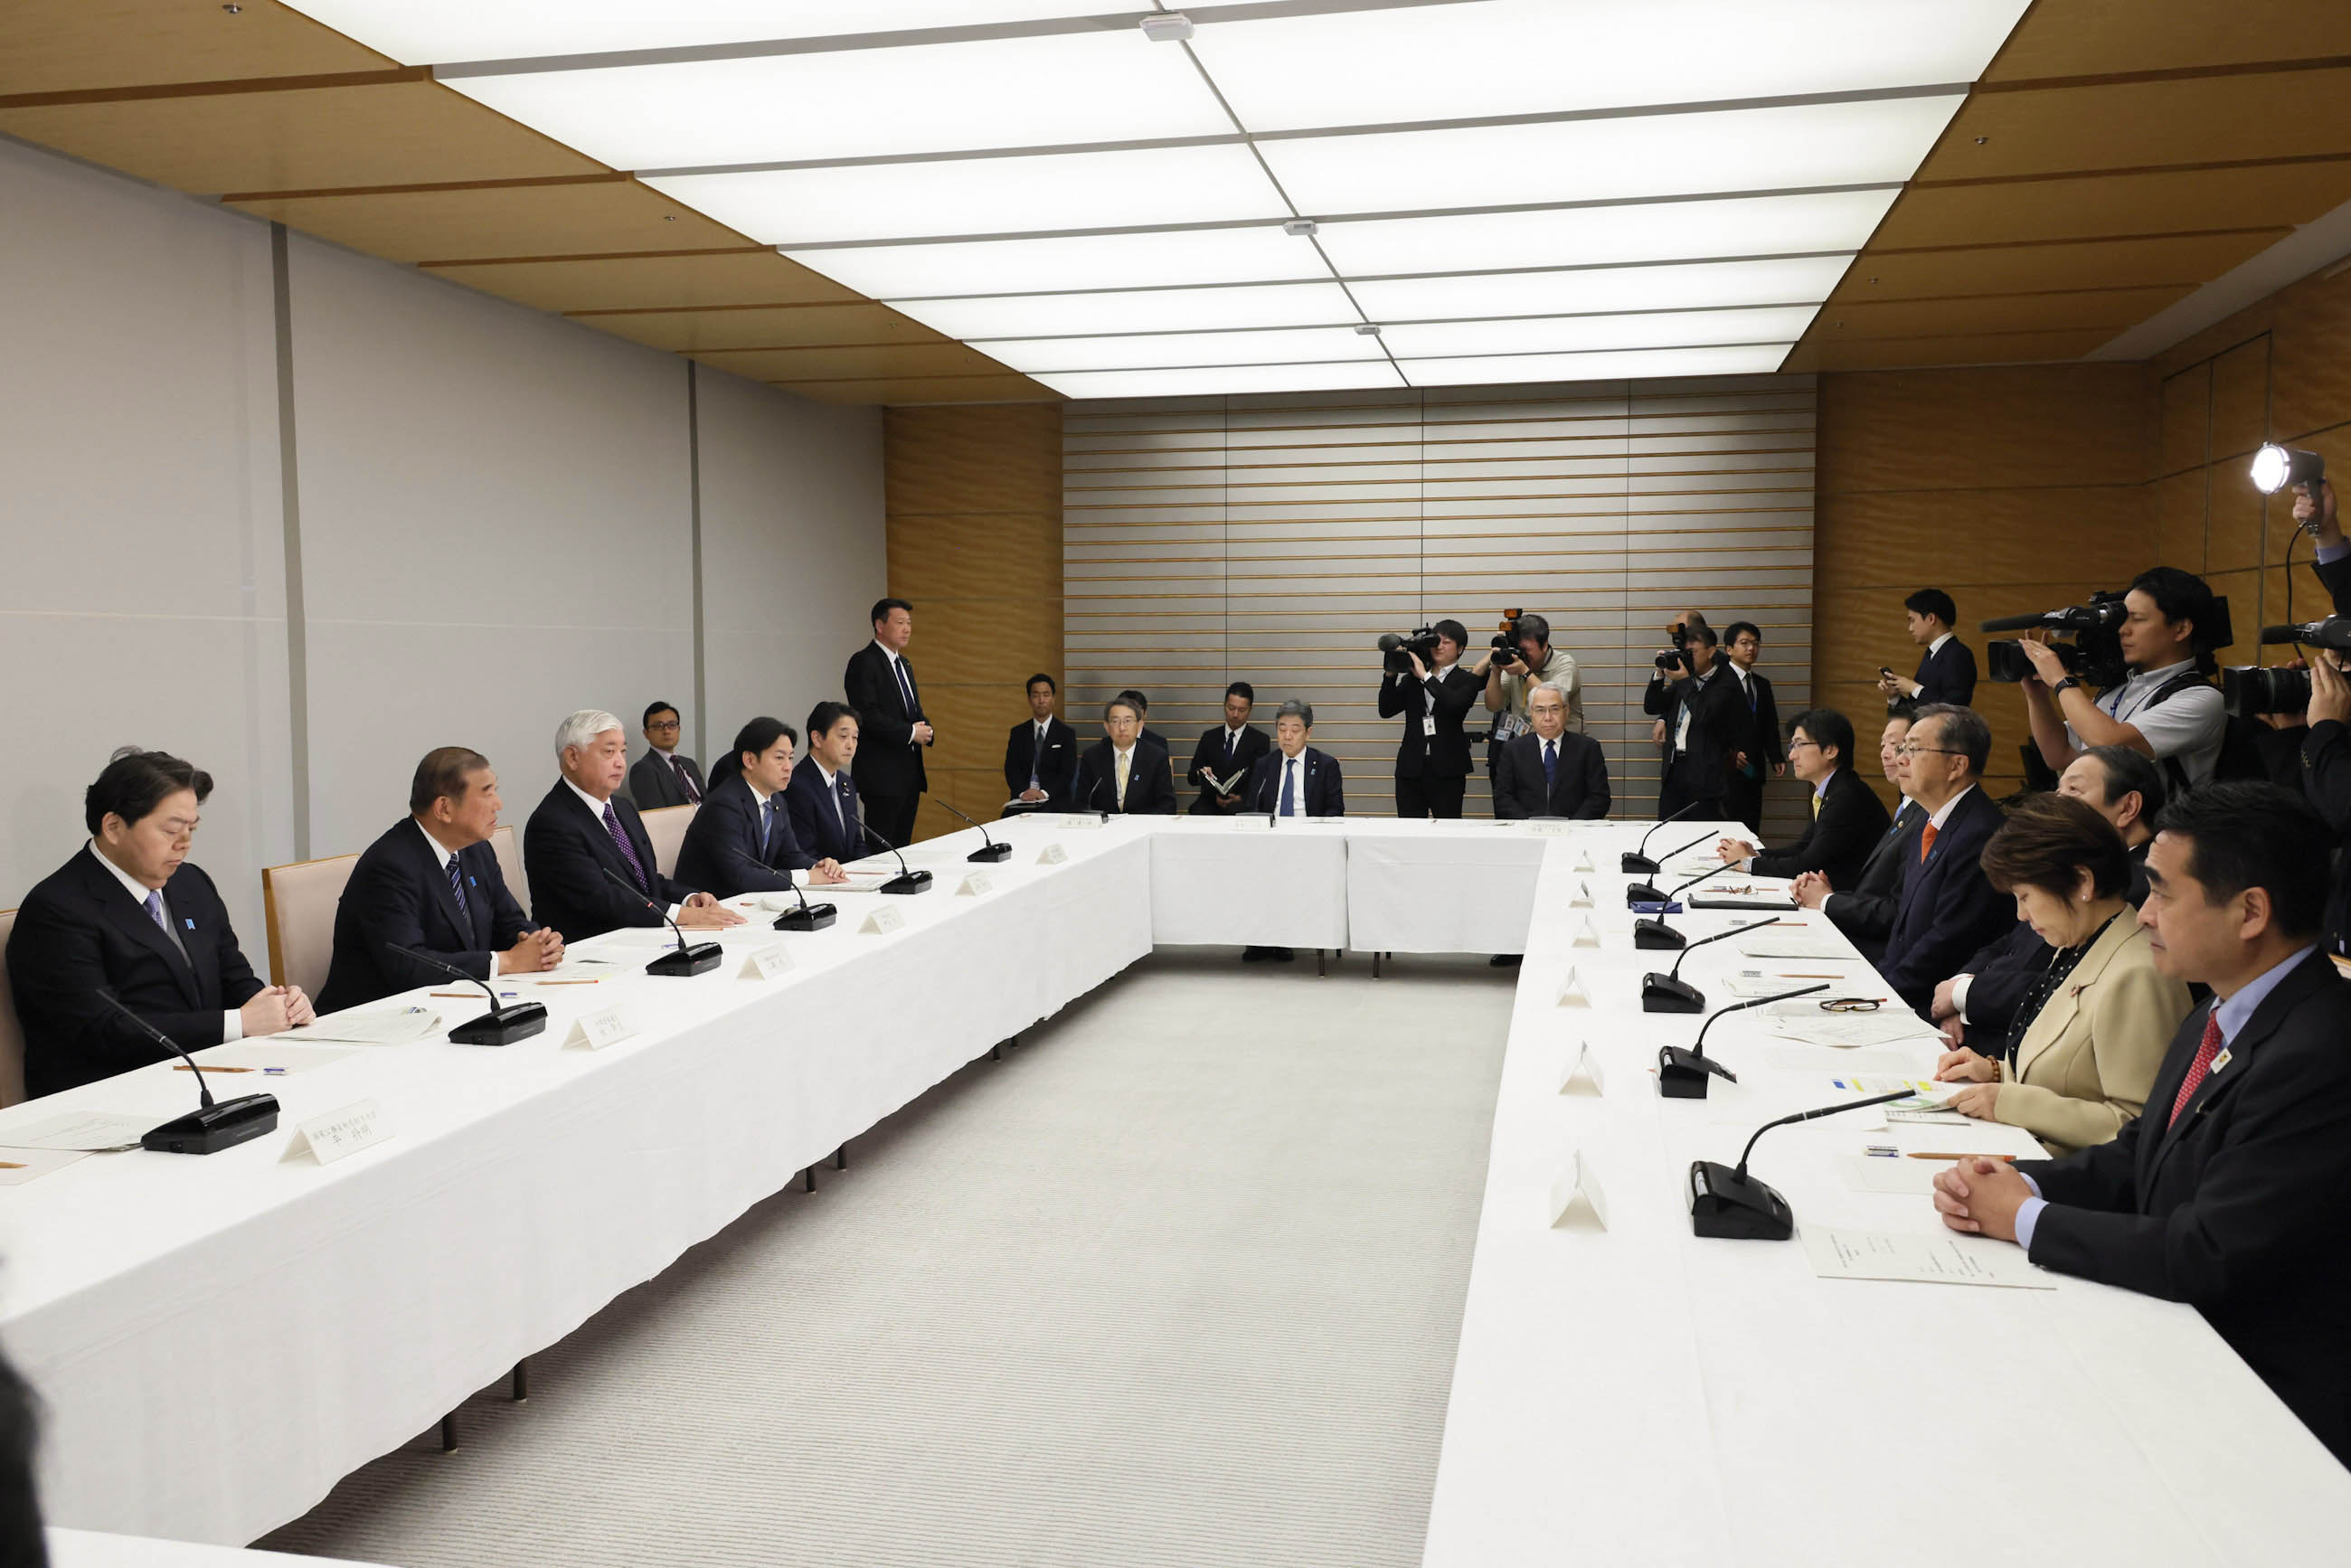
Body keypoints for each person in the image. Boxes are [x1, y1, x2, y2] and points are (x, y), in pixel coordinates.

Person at [1931, 782, 2351, 1464]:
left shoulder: (2319, 1052)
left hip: (2267, 1405)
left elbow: (2206, 1252)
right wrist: (2018, 1181)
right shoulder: (2216, 1012)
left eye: (2162, 893)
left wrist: (2024, 1220)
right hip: (2178, 1331)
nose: (2144, 914)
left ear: (2250, 912)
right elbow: (2138, 1154)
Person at [9, 750, 308, 1098]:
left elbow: (232, 974)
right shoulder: (57, 910)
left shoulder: (191, 883)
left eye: (192, 829)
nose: (185, 843)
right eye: (171, 830)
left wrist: (275, 1004)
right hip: (108, 1094)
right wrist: (240, 1023)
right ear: (114, 827)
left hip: (208, 1075)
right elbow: (104, 1029)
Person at [1930, 795, 2192, 1155]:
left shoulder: (2137, 974)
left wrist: (2008, 1101)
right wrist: (1996, 1072)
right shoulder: (2079, 944)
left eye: (2025, 896)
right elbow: (2074, 1078)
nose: (2021, 915)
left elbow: (2135, 1125)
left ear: (2082, 882)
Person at [1933, 745, 2165, 1047]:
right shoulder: (2063, 872)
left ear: (2127, 807)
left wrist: (1962, 997)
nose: (2058, 801)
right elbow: (2011, 943)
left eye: (2073, 789)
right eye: (2058, 788)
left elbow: (2059, 988)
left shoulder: (2137, 889)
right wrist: (1959, 991)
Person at [317, 747, 562, 1014]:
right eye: (487, 792)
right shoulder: (389, 866)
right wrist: (507, 962)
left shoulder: (475, 849)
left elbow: (508, 920)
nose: (499, 803)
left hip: (452, 1006)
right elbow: (410, 965)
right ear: (444, 808)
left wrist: (536, 943)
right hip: (375, 1020)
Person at [523, 710, 744, 942]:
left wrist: (690, 898)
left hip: (640, 936)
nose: (620, 762)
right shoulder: (552, 822)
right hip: (592, 950)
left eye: (623, 751)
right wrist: (683, 915)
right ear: (572, 758)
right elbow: (602, 898)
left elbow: (646, 882)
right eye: (609, 752)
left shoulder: (623, 808)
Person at [2019, 566, 2228, 795]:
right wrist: (2038, 697)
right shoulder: (2120, 687)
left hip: (2158, 829)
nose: (2123, 630)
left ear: (2181, 629)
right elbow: (2059, 755)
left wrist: (2061, 680)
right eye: (2122, 620)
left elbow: (2110, 744)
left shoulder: (2202, 699)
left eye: (2137, 620)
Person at [1877, 704, 2012, 1011]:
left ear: (1956, 766)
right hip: (1903, 989)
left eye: (1914, 749)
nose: (1901, 758)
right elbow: (1905, 925)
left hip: (1935, 1004)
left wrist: (1882, 996)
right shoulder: (1930, 819)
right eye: (1903, 748)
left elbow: (1949, 940)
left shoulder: (1980, 833)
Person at [1791, 707, 1923, 963]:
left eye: (1899, 746)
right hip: (1859, 919)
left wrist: (1829, 900)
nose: (1888, 754)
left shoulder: (1849, 795)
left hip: (1879, 951)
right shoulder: (1910, 809)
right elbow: (1805, 849)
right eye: (1884, 744)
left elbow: (1898, 911)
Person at [1715, 707, 1888, 891]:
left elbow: (1808, 863)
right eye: (1792, 746)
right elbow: (1803, 847)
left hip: (1856, 899)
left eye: (1799, 745)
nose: (1791, 755)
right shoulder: (1834, 788)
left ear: (1830, 750)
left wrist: (1749, 863)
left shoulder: (1847, 797)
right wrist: (1755, 854)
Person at [676, 718, 849, 897]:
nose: (788, 767)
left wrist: (818, 867)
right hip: (711, 904)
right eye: (779, 758)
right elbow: (741, 875)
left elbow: (789, 855)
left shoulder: (776, 801)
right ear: (750, 760)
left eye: (790, 758)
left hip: (749, 899)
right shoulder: (724, 805)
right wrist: (807, 877)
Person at [843, 597, 931, 849]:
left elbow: (912, 709)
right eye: (900, 622)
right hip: (881, 775)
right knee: (882, 849)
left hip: (909, 773)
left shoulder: (904, 663)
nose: (907, 629)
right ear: (879, 626)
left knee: (903, 846)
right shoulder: (864, 662)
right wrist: (910, 732)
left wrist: (926, 728)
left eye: (909, 623)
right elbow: (866, 715)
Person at [1381, 620, 1481, 819]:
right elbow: (1386, 709)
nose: (1439, 646)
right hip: (1411, 768)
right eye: (1436, 641)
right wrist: (1391, 673)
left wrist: (1426, 676)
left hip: (1447, 769)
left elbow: (1454, 704)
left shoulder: (1466, 680)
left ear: (1460, 649)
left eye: (1447, 642)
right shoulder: (1412, 678)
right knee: (1409, 832)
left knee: (1447, 832)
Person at [1643, 621, 1742, 819]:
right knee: (1667, 834)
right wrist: (1659, 674)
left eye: (1692, 652)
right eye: (1684, 652)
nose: (1687, 657)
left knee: (1698, 837)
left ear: (1711, 651)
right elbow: (1652, 706)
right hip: (1674, 770)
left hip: (1704, 778)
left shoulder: (1726, 681)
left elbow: (1704, 715)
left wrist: (1684, 681)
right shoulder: (1687, 679)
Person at [1492, 681, 1610, 819]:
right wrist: (1529, 825)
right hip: (1526, 831)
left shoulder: (1588, 748)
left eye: (1555, 709)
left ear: (1566, 711)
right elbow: (1503, 798)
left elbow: (1599, 798)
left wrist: (1572, 827)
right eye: (1540, 710)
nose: (1548, 717)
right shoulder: (1513, 749)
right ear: (1530, 713)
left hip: (1575, 832)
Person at [1717, 620, 1782, 833]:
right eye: (1744, 643)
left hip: (1754, 767)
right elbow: (1711, 725)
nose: (1751, 648)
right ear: (1728, 649)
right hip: (1725, 768)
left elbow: (1769, 723)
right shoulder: (1718, 682)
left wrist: (1775, 756)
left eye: (1755, 643)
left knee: (1751, 825)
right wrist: (1729, 753)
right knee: (1727, 826)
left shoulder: (1762, 684)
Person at [1480, 611, 1581, 743]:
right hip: (1527, 747)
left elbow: (1551, 700)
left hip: (1562, 746)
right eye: (1517, 649)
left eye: (1525, 650)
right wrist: (1496, 672)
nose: (1520, 655)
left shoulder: (1565, 665)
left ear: (1544, 646)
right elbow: (1493, 706)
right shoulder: (1515, 663)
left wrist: (1525, 672)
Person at [788, 702, 868, 864]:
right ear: (817, 738)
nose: (850, 745)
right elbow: (804, 852)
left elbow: (856, 843)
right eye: (843, 736)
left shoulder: (846, 783)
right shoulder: (796, 785)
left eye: (855, 738)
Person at [1072, 696, 1177, 815]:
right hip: (1104, 827)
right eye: (1115, 721)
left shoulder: (1157, 757)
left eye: (1128, 721)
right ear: (1107, 727)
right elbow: (1081, 803)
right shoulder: (1092, 756)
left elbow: (1167, 805)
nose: (1122, 728)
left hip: (1144, 826)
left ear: (1140, 725)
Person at [1876, 589, 1977, 708]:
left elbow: (1954, 708)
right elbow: (1918, 710)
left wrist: (1913, 687)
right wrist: (1894, 697)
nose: (1910, 628)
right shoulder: (1931, 653)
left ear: (1931, 619)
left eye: (1912, 621)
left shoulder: (1959, 654)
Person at [1245, 701, 1345, 817]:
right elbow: (1252, 807)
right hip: (1273, 832)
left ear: (1308, 733)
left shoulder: (1326, 765)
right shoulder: (1265, 764)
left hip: (1311, 832)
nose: (1287, 736)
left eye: (1295, 731)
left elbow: (1335, 810)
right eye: (1282, 729)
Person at [1186, 681, 1269, 816]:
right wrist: (1200, 773)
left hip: (1241, 802)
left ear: (1250, 710)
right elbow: (1191, 778)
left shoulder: (1260, 740)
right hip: (1210, 801)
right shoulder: (1209, 737)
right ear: (1224, 706)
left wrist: (1241, 798)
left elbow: (1260, 780)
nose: (1235, 714)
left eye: (1241, 710)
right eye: (1231, 708)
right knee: (1197, 812)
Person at [1004, 674, 1080, 813]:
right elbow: (1011, 769)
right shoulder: (1018, 733)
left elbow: (1067, 773)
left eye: (1046, 695)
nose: (1041, 700)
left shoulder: (1066, 733)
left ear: (1053, 699)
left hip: (1055, 801)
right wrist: (1023, 793)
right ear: (1029, 699)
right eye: (1036, 695)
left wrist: (1043, 793)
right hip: (1023, 801)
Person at [627, 701, 704, 808]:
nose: (667, 731)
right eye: (659, 726)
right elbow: (657, 816)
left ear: (679, 729)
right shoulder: (643, 769)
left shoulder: (690, 764)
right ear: (646, 733)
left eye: (672, 725)